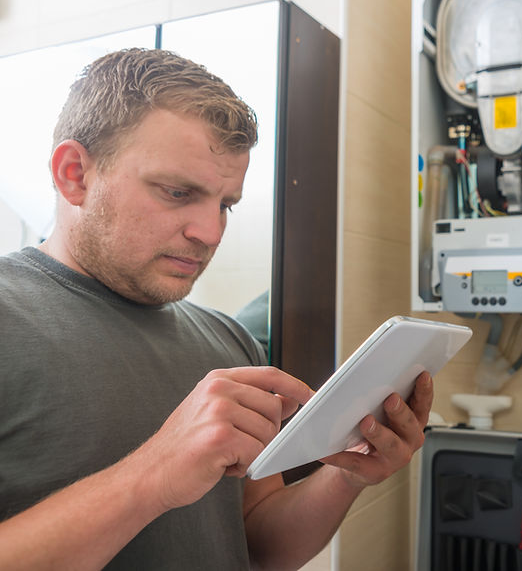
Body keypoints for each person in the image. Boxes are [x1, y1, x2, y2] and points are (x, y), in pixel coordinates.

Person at [0, 48, 433, 570]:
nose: (209, 233)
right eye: (178, 192)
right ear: (75, 175)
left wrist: (347, 474)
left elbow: (261, 546)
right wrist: (153, 476)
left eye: (225, 205)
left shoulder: (228, 343)